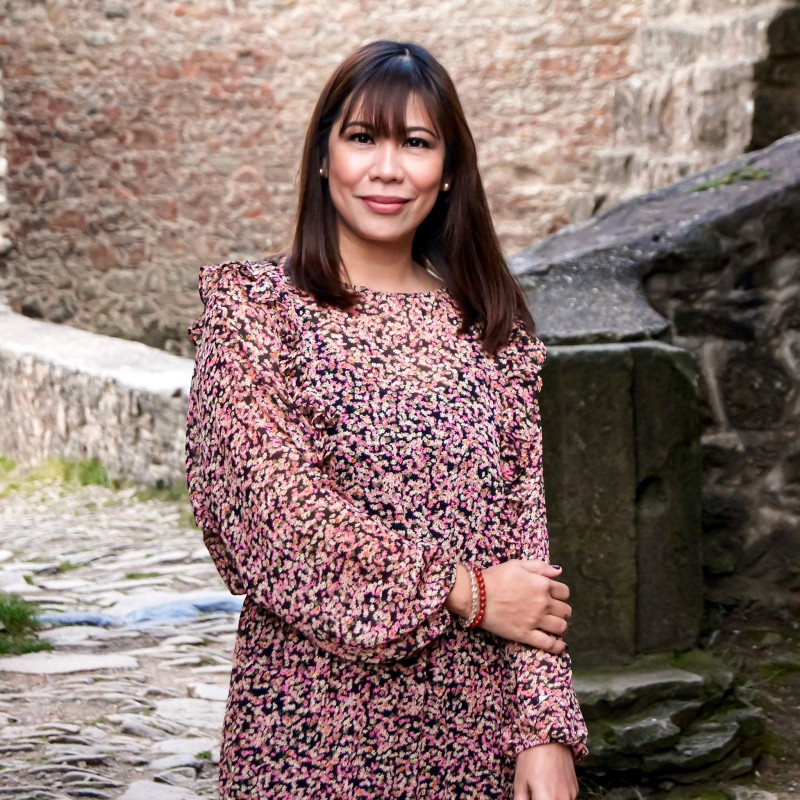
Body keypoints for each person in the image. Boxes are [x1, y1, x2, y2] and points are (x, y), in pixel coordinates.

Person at [186, 40, 588, 800]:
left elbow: (526, 553)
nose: (387, 169)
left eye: (416, 142)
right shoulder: (257, 316)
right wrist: (463, 593)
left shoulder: (489, 329)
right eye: (363, 137)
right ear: (322, 155)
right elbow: (273, 518)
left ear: (447, 173)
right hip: (312, 725)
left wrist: (545, 731)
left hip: (476, 731)